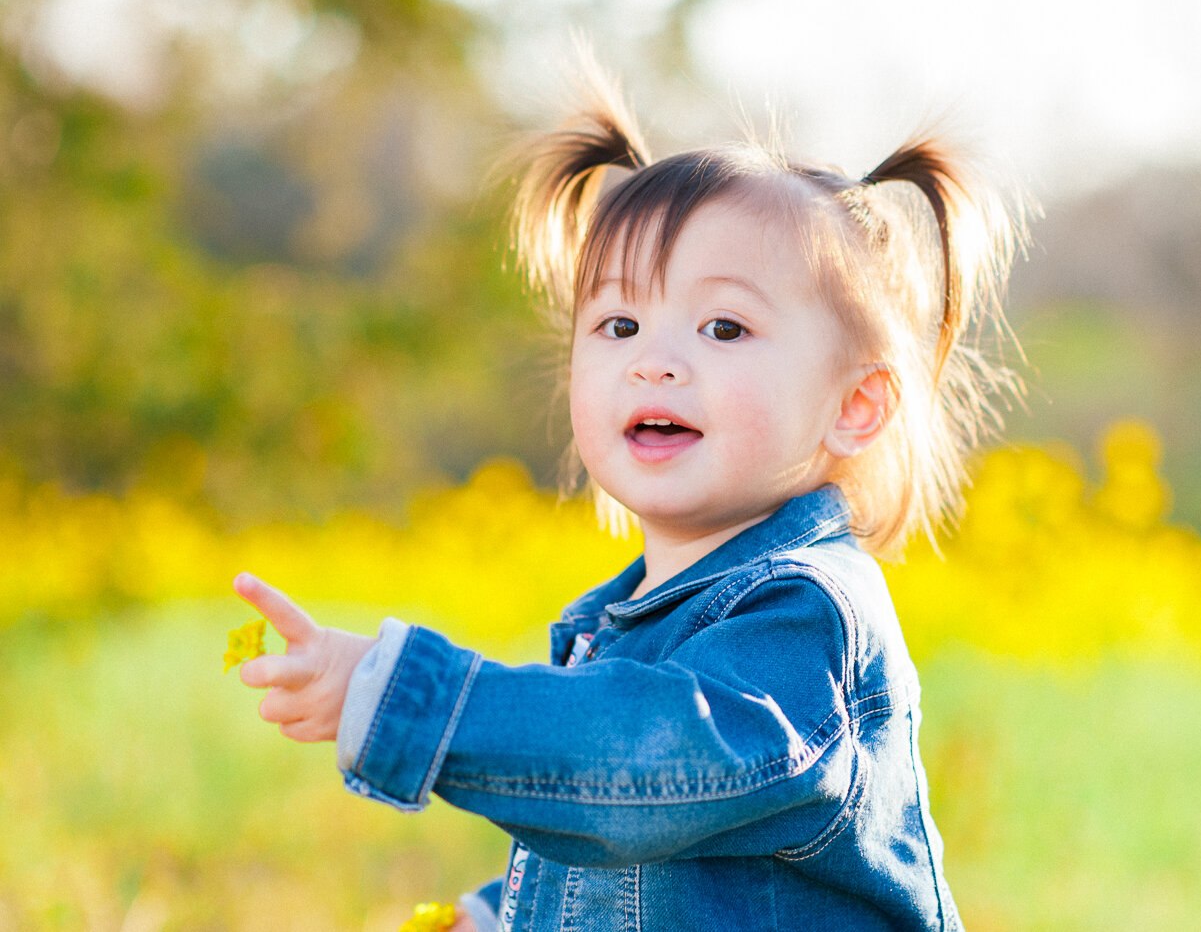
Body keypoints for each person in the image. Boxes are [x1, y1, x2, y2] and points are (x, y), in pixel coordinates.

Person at [232, 69, 1028, 931]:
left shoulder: (804, 617)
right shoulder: (636, 621)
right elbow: (648, 861)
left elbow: (650, 771)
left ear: (853, 407)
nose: (654, 361)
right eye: (619, 326)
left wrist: (405, 697)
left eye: (723, 328)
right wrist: (501, 915)